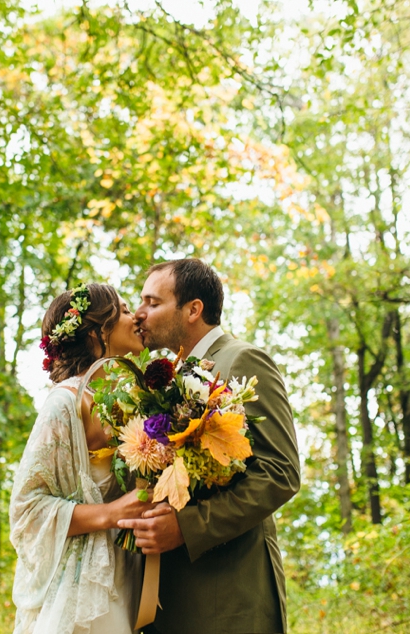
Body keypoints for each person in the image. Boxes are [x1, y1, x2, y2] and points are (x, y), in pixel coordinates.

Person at [120, 259, 300, 634]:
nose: (139, 313)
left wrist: (187, 527)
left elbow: (279, 473)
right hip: (167, 602)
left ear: (193, 309)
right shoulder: (167, 378)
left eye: (153, 302)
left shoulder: (242, 360)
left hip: (227, 600)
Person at [9, 283, 158, 634]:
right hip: (83, 593)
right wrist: (112, 513)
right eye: (124, 311)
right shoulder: (64, 403)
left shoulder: (125, 401)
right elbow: (26, 510)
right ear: (97, 333)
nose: (136, 317)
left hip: (124, 577)